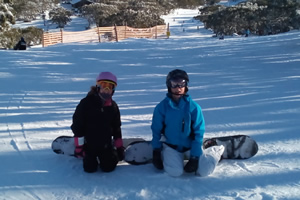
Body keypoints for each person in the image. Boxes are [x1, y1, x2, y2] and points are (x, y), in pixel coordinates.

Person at [151, 69, 224, 177]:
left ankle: (214, 151)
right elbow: (156, 130)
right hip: (171, 146)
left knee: (204, 171)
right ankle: (166, 155)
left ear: (186, 86)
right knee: (175, 172)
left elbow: (198, 132)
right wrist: (156, 151)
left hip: (191, 146)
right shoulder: (162, 107)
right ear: (169, 86)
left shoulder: (194, 108)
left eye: (182, 84)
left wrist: (195, 156)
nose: (178, 88)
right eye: (174, 84)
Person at [71, 72, 124, 173]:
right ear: (98, 86)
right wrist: (79, 147)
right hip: (89, 144)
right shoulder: (86, 104)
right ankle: (81, 150)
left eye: (110, 87)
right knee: (89, 169)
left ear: (113, 90)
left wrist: (119, 147)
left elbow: (116, 127)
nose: (106, 90)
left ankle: (111, 153)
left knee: (108, 168)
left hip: (105, 145)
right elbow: (77, 126)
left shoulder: (113, 107)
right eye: (104, 86)